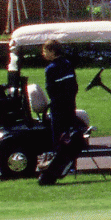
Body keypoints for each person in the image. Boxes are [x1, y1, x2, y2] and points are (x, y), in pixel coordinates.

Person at [36, 39, 82, 186]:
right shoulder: (68, 64)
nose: (43, 54)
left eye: (45, 51)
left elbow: (51, 90)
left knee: (59, 137)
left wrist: (57, 100)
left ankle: (58, 167)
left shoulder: (51, 68)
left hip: (58, 107)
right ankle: (70, 165)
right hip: (70, 105)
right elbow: (74, 86)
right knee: (69, 134)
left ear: (51, 51)